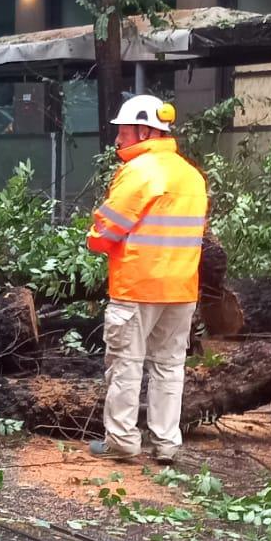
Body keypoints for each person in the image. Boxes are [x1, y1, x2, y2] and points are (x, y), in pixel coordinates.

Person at [84, 95, 208, 465]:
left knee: (126, 363)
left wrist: (94, 238)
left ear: (145, 130)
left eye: (123, 130)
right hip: (182, 288)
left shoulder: (139, 172)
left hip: (138, 286)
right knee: (170, 368)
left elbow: (106, 229)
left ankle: (122, 441)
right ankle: (167, 443)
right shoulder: (191, 174)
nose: (118, 139)